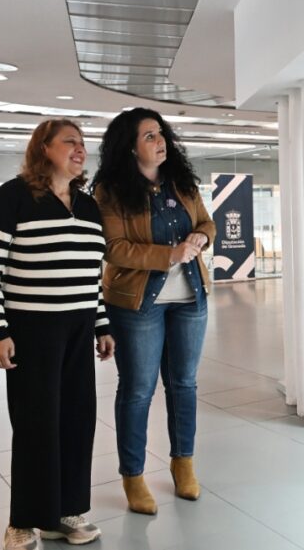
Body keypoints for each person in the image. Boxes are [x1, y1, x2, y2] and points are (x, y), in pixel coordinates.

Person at [0, 119, 114, 550]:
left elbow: (93, 275)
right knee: (36, 424)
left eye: (83, 143)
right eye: (70, 141)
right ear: (43, 148)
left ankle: (67, 512)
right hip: (32, 330)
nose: (80, 149)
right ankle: (25, 520)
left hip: (78, 328)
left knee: (76, 419)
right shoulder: (12, 197)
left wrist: (101, 324)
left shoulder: (88, 206)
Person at [90, 108, 216, 516]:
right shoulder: (109, 192)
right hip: (136, 304)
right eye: (148, 136)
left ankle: (184, 464)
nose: (159, 141)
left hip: (190, 299)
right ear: (129, 145)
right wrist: (170, 254)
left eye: (160, 134)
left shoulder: (180, 182)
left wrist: (200, 235)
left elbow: (208, 224)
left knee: (184, 385)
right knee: (138, 390)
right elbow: (114, 247)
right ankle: (133, 475)